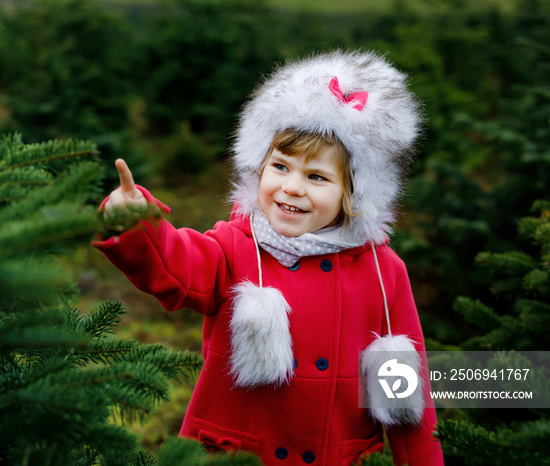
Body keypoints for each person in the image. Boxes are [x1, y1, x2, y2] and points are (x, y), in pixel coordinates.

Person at [93, 50, 444, 466]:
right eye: (280, 166)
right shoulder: (235, 246)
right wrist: (137, 223)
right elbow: (177, 265)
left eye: (316, 177)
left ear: (355, 194)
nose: (291, 187)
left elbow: (407, 397)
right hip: (233, 455)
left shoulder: (384, 274)